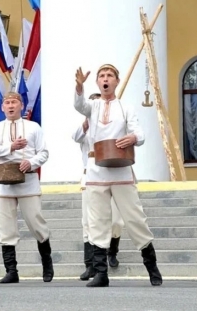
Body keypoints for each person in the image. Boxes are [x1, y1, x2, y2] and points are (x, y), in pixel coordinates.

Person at [73, 64, 162, 288]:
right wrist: (79, 85)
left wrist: (132, 138)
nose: (105, 79)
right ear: (98, 83)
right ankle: (101, 273)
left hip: (121, 169)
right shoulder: (91, 106)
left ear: (116, 81)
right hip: (96, 170)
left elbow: (140, 133)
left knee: (135, 218)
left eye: (109, 75)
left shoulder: (126, 107)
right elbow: (79, 104)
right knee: (98, 221)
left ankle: (152, 267)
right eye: (102, 76)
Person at [0, 91, 54, 284]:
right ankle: (11, 270)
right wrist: (12, 147)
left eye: (14, 102)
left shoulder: (33, 127)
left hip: (28, 181)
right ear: (2, 107)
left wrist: (31, 163)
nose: (10, 106)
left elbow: (44, 153)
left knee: (36, 222)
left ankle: (47, 264)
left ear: (21, 106)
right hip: (5, 181)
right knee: (6, 227)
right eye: (7, 103)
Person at [73, 92, 125, 280]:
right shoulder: (85, 129)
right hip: (90, 177)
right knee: (88, 222)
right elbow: (75, 136)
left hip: (112, 174)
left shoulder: (114, 125)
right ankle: (91, 264)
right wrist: (86, 124)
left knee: (116, 221)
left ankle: (112, 252)